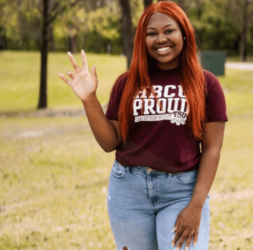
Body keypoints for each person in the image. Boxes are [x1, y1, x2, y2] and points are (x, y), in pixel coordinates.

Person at [58, 1, 227, 249]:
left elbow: (212, 149)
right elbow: (109, 142)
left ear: (184, 33)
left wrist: (196, 205)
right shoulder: (126, 83)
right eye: (152, 33)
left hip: (181, 191)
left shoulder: (206, 84)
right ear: (142, 39)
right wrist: (89, 100)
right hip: (129, 190)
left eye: (169, 31)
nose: (161, 39)